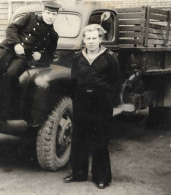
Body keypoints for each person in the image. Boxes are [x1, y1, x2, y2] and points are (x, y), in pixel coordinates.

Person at [0, 1, 61, 123]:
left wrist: (41, 56)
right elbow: (11, 28)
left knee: (10, 76)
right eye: (48, 13)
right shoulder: (30, 17)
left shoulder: (53, 35)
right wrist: (16, 44)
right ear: (43, 12)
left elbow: (50, 56)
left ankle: (2, 115)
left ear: (56, 16)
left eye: (53, 14)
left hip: (24, 56)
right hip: (8, 48)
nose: (50, 16)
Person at [63, 24, 122, 189]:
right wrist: (77, 99)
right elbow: (73, 81)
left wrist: (109, 101)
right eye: (88, 38)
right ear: (84, 39)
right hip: (82, 101)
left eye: (94, 38)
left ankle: (101, 177)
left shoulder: (110, 57)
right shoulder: (77, 58)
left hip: (101, 102)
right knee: (79, 138)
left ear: (100, 39)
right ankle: (78, 174)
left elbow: (116, 82)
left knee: (100, 139)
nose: (91, 42)